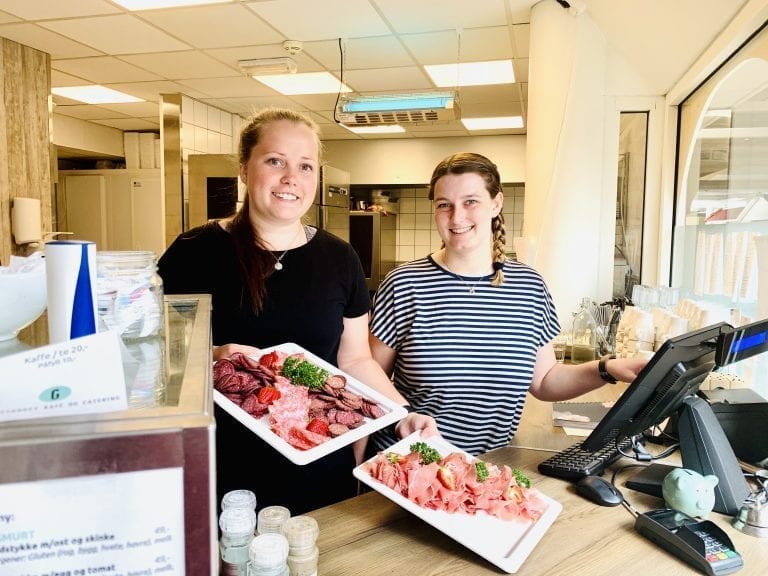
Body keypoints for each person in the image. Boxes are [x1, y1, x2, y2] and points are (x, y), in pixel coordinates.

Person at [157, 107, 435, 514]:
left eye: (305, 166)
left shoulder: (340, 259)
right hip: (224, 465)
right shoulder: (193, 252)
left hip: (319, 461)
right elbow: (157, 362)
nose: (292, 178)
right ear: (244, 169)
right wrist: (215, 355)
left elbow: (354, 358)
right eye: (275, 161)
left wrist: (401, 414)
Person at [368, 152, 647, 456]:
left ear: (496, 203)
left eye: (470, 201)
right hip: (409, 465)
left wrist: (608, 369)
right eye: (444, 204)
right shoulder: (404, 284)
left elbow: (544, 381)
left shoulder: (529, 286)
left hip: (486, 472)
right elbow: (367, 379)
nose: (456, 217)